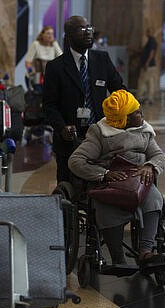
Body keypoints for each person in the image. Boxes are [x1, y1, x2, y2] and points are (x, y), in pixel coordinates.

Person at [68, 89, 165, 265]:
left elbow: (159, 156)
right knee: (107, 208)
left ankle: (145, 252)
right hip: (110, 183)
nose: (142, 114)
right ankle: (118, 258)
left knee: (154, 198)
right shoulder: (100, 133)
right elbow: (76, 161)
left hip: (138, 181)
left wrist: (150, 166)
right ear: (125, 119)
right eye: (136, 112)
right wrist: (104, 174)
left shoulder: (144, 131)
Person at [43, 15, 126, 183]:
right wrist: (61, 128)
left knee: (100, 185)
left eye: (89, 28)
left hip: (100, 135)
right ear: (68, 36)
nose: (88, 33)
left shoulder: (102, 60)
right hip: (70, 139)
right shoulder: (55, 67)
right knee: (68, 188)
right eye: (81, 29)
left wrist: (131, 109)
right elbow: (49, 105)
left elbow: (120, 90)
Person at [24, 25, 63, 91]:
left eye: (52, 34)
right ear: (42, 35)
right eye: (48, 33)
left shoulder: (54, 45)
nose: (50, 36)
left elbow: (62, 58)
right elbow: (28, 62)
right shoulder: (36, 44)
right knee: (37, 97)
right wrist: (31, 72)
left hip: (48, 77)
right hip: (36, 77)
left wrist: (54, 44)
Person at [136, 27, 158, 105]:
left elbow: (151, 53)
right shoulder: (151, 41)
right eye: (147, 31)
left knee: (142, 80)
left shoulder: (151, 41)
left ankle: (140, 97)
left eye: (149, 31)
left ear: (152, 32)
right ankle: (150, 98)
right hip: (152, 66)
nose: (147, 33)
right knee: (150, 81)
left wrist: (147, 63)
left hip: (148, 65)